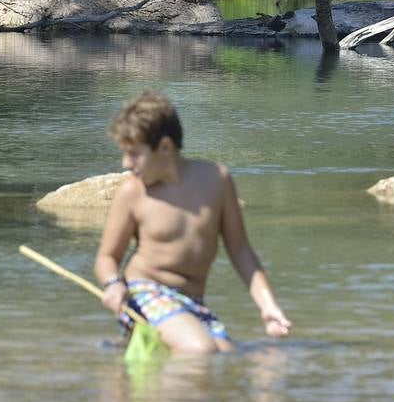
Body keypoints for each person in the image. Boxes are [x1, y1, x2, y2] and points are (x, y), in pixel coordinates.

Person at [94, 91, 292, 354]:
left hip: (192, 301)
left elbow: (240, 250)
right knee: (200, 350)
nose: (126, 163)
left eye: (134, 154)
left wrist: (268, 307)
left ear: (165, 147)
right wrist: (112, 283)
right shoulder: (133, 192)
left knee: (228, 355)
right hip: (145, 294)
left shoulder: (216, 180)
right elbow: (106, 257)